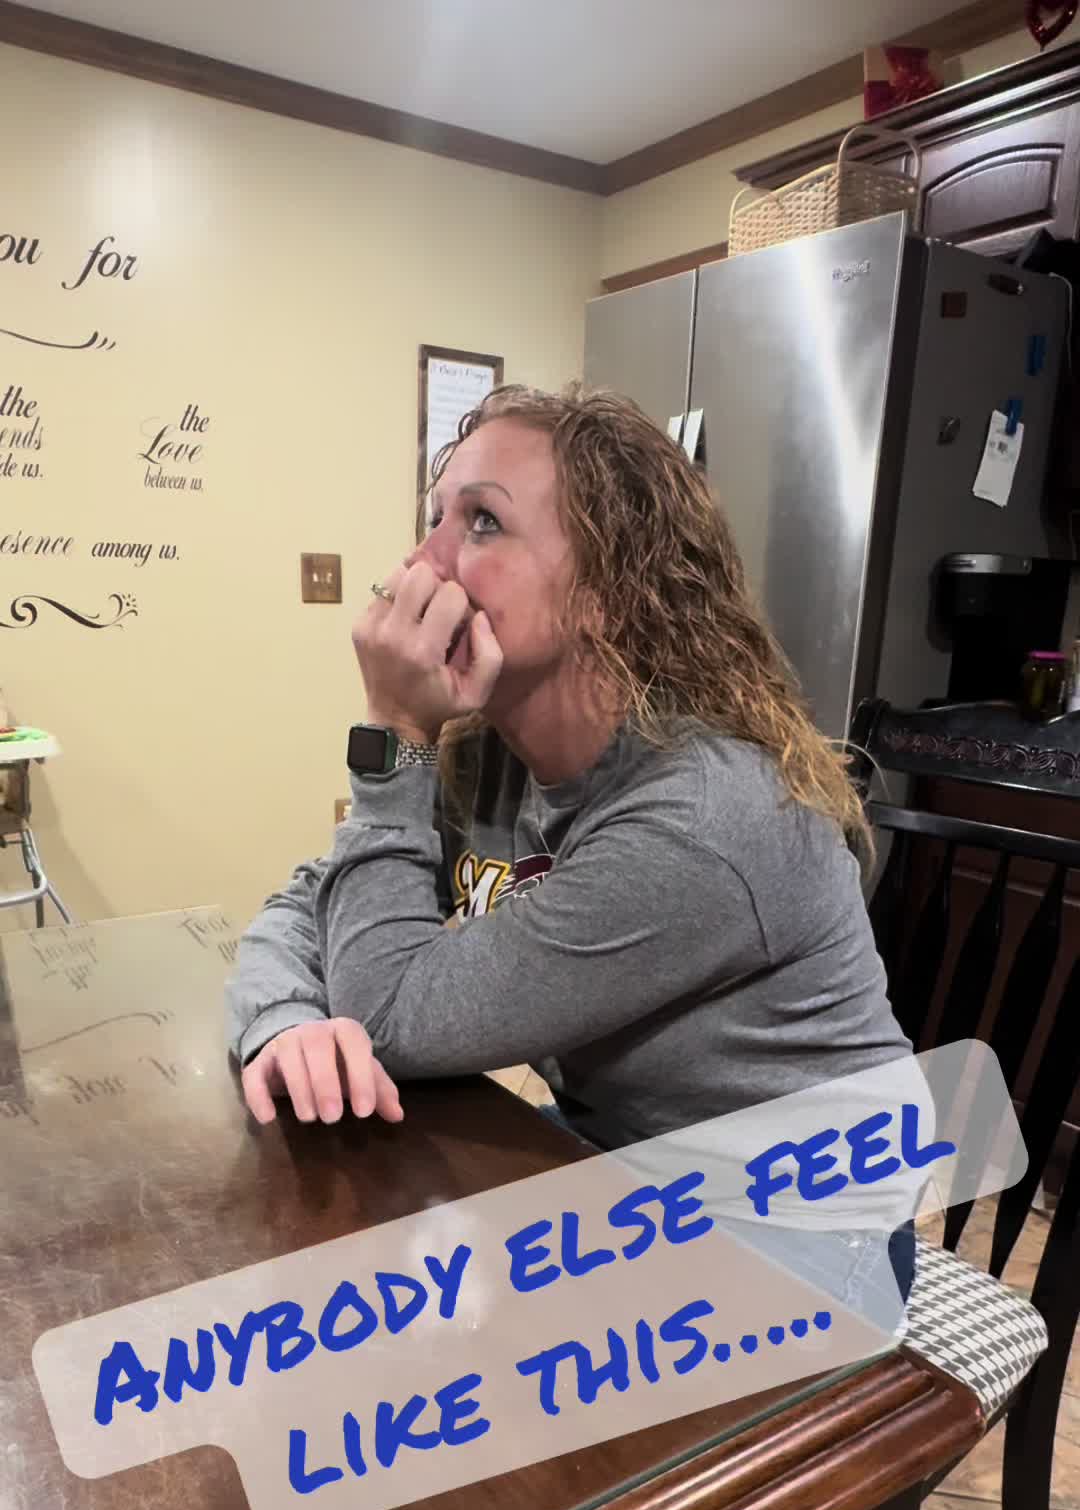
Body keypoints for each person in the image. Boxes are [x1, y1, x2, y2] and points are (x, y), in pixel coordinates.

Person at [226, 382, 910, 1186]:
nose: (420, 562)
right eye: (436, 518)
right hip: (626, 1159)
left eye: (483, 521)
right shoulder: (490, 757)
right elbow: (312, 904)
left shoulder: (699, 820)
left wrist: (397, 731)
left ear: (605, 596)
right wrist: (284, 1023)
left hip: (799, 1220)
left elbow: (385, 1016)